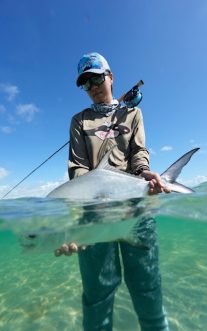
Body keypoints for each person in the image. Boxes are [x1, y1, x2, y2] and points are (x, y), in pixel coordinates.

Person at [56, 52, 170, 331]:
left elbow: (139, 153)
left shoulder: (133, 113)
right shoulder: (79, 120)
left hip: (136, 209)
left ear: (110, 76)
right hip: (95, 215)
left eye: (96, 78)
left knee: (148, 289)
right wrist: (82, 216)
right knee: (97, 297)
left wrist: (146, 175)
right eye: (86, 83)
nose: (93, 87)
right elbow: (79, 168)